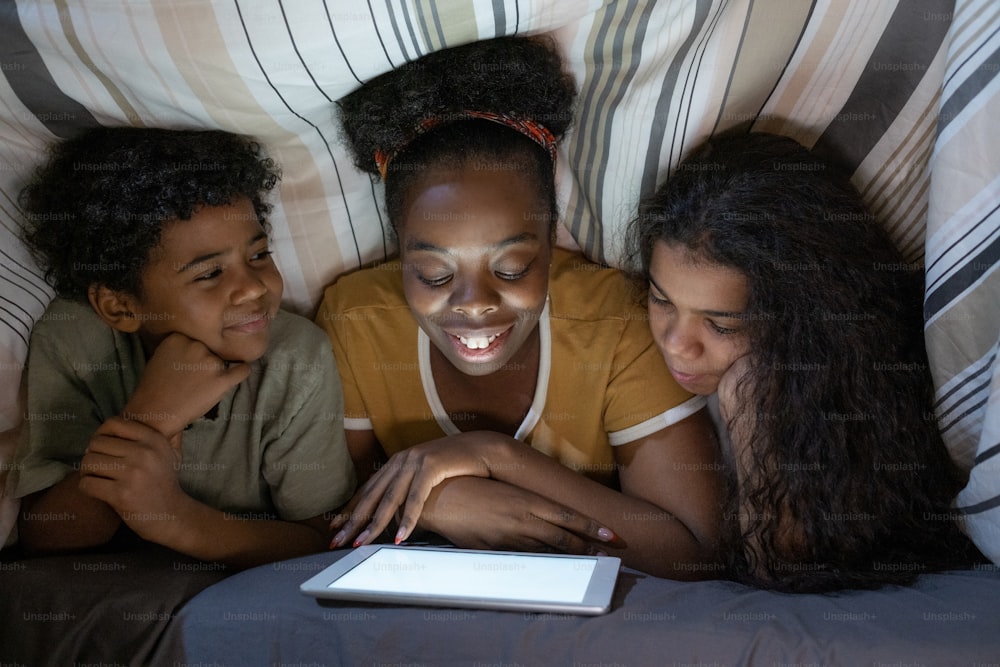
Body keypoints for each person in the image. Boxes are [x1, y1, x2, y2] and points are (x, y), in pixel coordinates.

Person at [316, 36, 725, 580]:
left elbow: (692, 555)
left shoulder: (615, 321)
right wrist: (438, 504)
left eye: (511, 269)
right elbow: (323, 523)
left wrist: (493, 458)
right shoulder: (357, 320)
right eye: (434, 274)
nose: (475, 304)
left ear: (551, 240)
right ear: (399, 255)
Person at [625, 130, 976, 592]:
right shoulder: (629, 341)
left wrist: (748, 401)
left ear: (800, 320)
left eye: (722, 325)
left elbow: (777, 565)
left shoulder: (854, 387)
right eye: (661, 299)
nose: (675, 344)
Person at [6, 127, 355, 569]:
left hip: (244, 587)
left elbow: (323, 545)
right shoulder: (74, 337)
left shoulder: (295, 357)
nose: (252, 289)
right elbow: (48, 538)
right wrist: (149, 419)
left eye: (259, 255)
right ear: (119, 305)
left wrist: (177, 521)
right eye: (209, 274)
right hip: (107, 587)